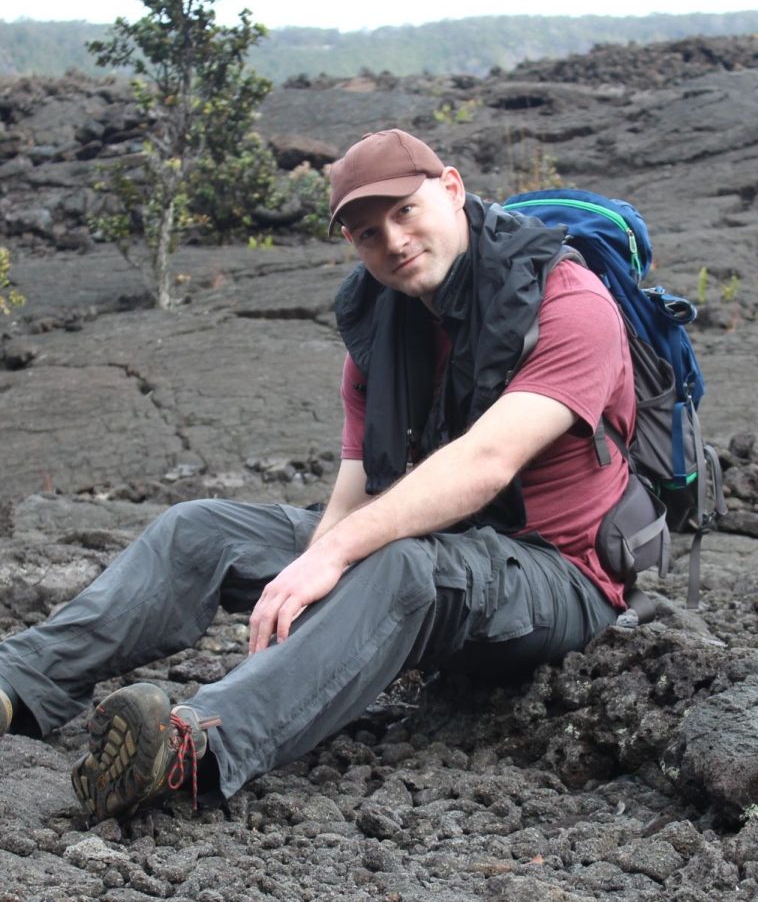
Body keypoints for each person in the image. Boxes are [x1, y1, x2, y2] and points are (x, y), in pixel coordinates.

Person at [0, 129, 634, 822]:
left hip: (559, 581)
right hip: (439, 551)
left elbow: (485, 464)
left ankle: (192, 748)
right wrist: (307, 576)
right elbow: (360, 487)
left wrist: (337, 555)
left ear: (452, 188)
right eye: (367, 232)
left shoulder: (569, 303)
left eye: (405, 212)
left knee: (398, 565)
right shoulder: (383, 325)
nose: (391, 241)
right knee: (201, 530)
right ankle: (19, 681)